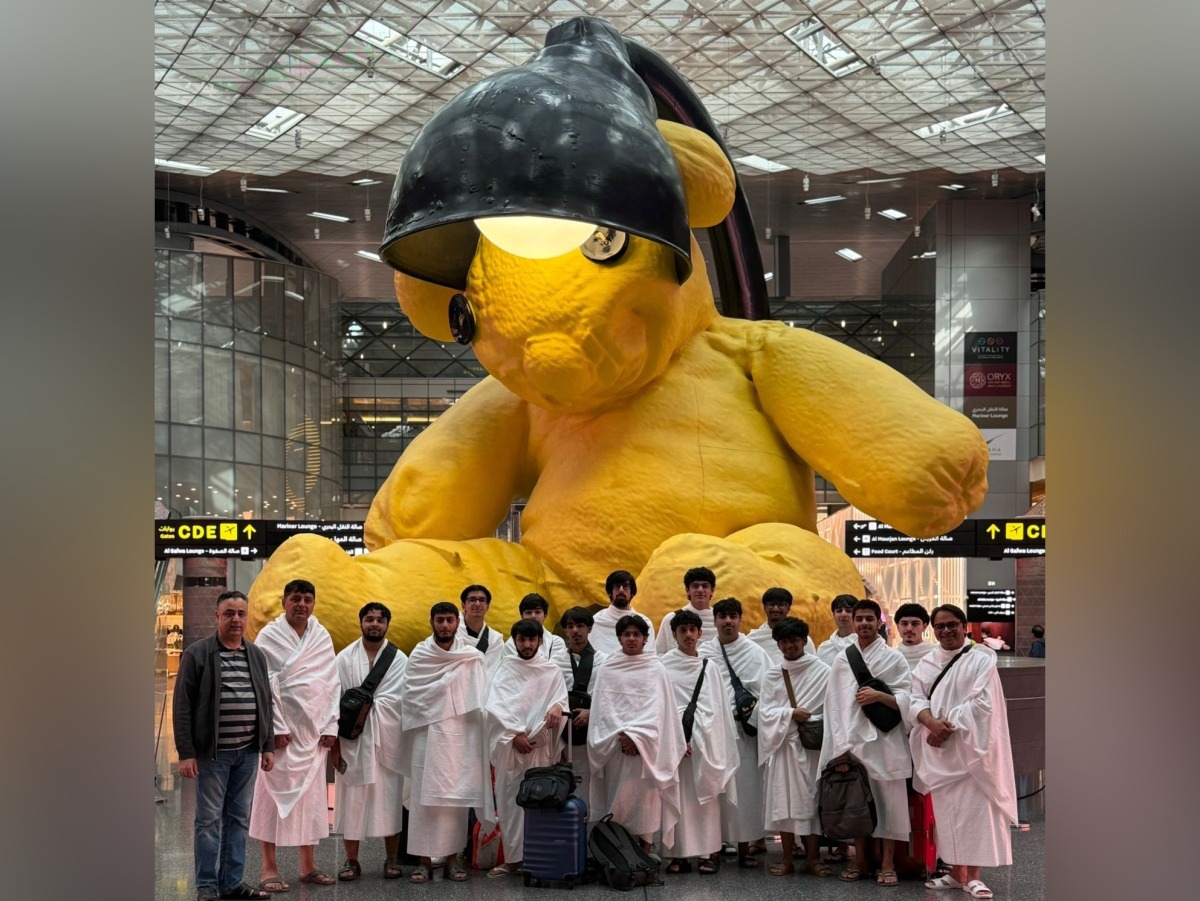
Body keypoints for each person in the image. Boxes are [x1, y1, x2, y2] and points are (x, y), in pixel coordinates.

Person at [910, 605, 1018, 900]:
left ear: (964, 625)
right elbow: (914, 699)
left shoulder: (981, 659)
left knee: (975, 813)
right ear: (933, 630)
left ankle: (974, 876)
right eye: (940, 626)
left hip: (971, 751)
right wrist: (931, 723)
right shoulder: (927, 662)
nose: (946, 631)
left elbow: (983, 704)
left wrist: (946, 726)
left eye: (951, 624)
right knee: (948, 815)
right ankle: (956, 873)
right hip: (940, 752)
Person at [173, 590, 275, 901]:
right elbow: (182, 705)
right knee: (208, 821)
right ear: (217, 616)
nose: (236, 619)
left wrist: (268, 745)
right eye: (229, 613)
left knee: (239, 819)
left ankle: (231, 883)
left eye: (241, 614)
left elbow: (266, 702)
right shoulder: (198, 654)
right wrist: (186, 753)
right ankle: (206, 885)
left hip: (247, 753)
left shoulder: (256, 655)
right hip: (212, 755)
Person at [248, 579, 341, 892]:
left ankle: (308, 865)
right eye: (296, 598)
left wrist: (330, 726)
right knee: (269, 799)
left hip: (313, 732)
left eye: (307, 599)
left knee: (311, 802)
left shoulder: (321, 635)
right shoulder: (269, 635)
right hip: (281, 734)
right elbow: (263, 683)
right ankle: (268, 867)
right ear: (284, 602)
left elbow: (332, 683)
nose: (302, 604)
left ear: (314, 603)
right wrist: (276, 726)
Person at [818, 599, 912, 886]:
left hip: (886, 741)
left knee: (889, 805)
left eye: (869, 619)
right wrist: (840, 749)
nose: (863, 623)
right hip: (854, 743)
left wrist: (879, 696)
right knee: (858, 803)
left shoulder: (895, 658)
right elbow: (833, 706)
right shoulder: (842, 659)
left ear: (879, 622)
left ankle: (887, 863)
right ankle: (861, 861)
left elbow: (908, 698)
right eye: (859, 619)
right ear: (853, 622)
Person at [399, 602, 490, 884]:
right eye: (440, 620)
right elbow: (411, 697)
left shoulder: (471, 657)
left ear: (457, 622)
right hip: (426, 737)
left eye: (450, 620)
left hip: (460, 738)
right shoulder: (420, 654)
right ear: (432, 622)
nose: (445, 625)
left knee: (455, 801)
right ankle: (423, 862)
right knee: (423, 800)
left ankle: (452, 859)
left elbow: (480, 699)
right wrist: (442, 696)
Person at [588, 614, 686, 855]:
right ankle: (618, 852)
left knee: (646, 801)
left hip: (647, 751)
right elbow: (603, 709)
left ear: (645, 639)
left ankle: (645, 851)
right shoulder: (608, 668)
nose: (631, 639)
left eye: (636, 635)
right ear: (619, 638)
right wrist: (623, 736)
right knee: (618, 800)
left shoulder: (656, 668)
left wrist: (637, 737)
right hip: (615, 747)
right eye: (626, 634)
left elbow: (659, 710)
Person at [482, 619, 569, 877]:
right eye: (522, 640)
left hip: (540, 748)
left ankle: (538, 859)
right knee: (511, 804)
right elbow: (495, 705)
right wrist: (514, 734)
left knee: (541, 800)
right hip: (511, 747)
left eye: (532, 639)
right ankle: (513, 860)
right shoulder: (505, 668)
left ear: (540, 641)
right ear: (515, 641)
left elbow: (560, 700)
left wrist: (557, 707)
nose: (527, 645)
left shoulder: (551, 670)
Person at [331, 602, 409, 882]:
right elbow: (333, 701)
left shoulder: (399, 660)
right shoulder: (344, 658)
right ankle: (351, 861)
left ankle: (391, 858)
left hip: (388, 741)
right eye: (369, 619)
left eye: (379, 620)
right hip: (352, 741)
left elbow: (404, 702)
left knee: (390, 800)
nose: (374, 624)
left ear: (387, 624)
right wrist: (334, 746)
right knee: (351, 801)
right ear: (361, 622)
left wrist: (374, 706)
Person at [659, 610, 739, 875]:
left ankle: (709, 852)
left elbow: (717, 709)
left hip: (704, 745)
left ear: (700, 633)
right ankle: (678, 855)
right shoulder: (663, 666)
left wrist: (698, 737)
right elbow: (661, 707)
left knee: (706, 797)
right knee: (677, 796)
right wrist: (677, 740)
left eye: (692, 630)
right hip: (675, 746)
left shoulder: (710, 667)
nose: (688, 635)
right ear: (674, 635)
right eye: (682, 631)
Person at [756, 616, 833, 878]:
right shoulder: (773, 674)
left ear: (804, 641)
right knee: (784, 804)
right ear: (778, 644)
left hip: (811, 749)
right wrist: (790, 714)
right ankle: (787, 859)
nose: (789, 646)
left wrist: (809, 719)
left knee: (811, 803)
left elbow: (833, 709)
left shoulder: (822, 671)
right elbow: (764, 713)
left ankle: (813, 859)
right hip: (783, 749)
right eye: (784, 642)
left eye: (794, 640)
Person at [699, 597, 771, 869]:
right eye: (722, 616)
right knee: (715, 789)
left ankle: (745, 847)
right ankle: (712, 849)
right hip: (714, 732)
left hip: (745, 733)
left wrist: (750, 714)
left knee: (746, 790)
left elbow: (769, 691)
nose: (728, 621)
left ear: (740, 620)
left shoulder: (754, 652)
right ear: (715, 620)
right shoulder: (704, 652)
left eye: (733, 616)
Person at [554, 606, 607, 810]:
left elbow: (610, 698)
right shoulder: (555, 662)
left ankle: (593, 827)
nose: (575, 630)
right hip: (563, 735)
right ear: (565, 630)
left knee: (595, 789)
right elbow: (550, 698)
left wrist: (592, 713)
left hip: (594, 734)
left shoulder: (604, 661)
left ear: (590, 628)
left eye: (580, 625)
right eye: (570, 626)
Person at [653, 566, 718, 654]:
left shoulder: (720, 620)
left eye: (705, 586)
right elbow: (659, 654)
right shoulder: (671, 619)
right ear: (687, 590)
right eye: (695, 586)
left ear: (712, 591)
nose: (700, 590)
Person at [590, 570, 655, 656]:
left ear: (632, 593)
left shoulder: (645, 623)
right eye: (617, 586)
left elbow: (648, 658)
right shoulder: (596, 621)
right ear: (610, 592)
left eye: (625, 586)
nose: (621, 590)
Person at [747, 587, 816, 663]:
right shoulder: (753, 639)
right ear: (764, 608)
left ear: (788, 608)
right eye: (771, 604)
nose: (775, 609)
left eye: (781, 604)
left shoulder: (802, 639)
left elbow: (811, 667)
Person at [503, 592, 567, 661]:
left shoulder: (556, 642)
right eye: (528, 612)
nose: (533, 616)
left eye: (537, 612)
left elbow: (555, 667)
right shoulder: (511, 644)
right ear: (522, 616)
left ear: (545, 615)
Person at [457, 584, 506, 674]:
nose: (477, 604)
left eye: (482, 600)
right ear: (463, 605)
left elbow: (498, 674)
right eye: (472, 600)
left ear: (487, 607)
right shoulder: (451, 634)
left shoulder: (495, 641)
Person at [815, 594, 858, 666]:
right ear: (833, 615)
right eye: (839, 611)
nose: (843, 614)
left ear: (857, 615)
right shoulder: (824, 648)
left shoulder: (866, 645)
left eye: (848, 611)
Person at [895, 602, 933, 672]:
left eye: (915, 624)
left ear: (924, 627)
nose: (909, 628)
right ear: (898, 627)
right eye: (904, 624)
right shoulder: (891, 657)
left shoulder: (935, 653)